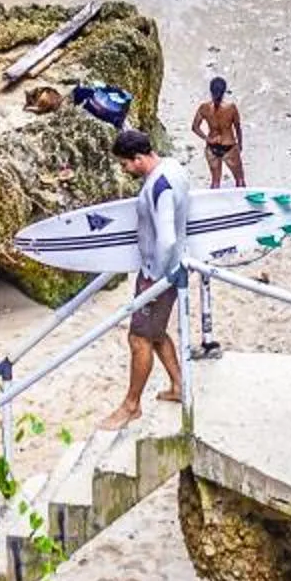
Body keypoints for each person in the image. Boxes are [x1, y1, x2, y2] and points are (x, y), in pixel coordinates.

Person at [106, 128, 187, 428]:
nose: (124, 170)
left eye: (125, 164)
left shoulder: (159, 186)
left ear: (138, 158)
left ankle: (131, 406)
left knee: (138, 338)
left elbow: (166, 239)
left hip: (160, 274)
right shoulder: (174, 167)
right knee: (154, 332)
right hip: (165, 270)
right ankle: (179, 386)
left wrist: (154, 281)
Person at [192, 76, 246, 188]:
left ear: (210, 90)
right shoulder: (231, 108)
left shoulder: (204, 107)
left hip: (212, 147)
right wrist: (240, 144)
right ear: (224, 91)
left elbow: (195, 127)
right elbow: (237, 127)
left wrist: (207, 139)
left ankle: (212, 203)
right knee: (240, 179)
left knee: (215, 182)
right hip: (229, 147)